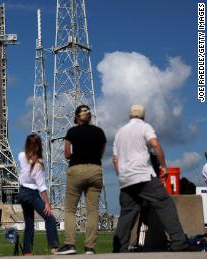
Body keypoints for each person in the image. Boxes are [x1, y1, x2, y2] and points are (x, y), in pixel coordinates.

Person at [112, 104, 188, 252]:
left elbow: (115, 159)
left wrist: (121, 175)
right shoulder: (144, 127)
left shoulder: (120, 133)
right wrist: (163, 166)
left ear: (129, 115)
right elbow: (155, 145)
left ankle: (119, 248)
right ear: (143, 115)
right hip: (143, 175)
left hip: (126, 179)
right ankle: (178, 241)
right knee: (165, 203)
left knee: (127, 213)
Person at [57, 105, 106, 255]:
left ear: (77, 117)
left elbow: (66, 153)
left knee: (71, 210)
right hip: (95, 170)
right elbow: (101, 152)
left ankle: (70, 244)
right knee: (92, 211)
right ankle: (90, 247)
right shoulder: (99, 132)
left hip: (77, 169)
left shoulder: (72, 132)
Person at [17, 134, 59, 256]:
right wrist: (47, 203)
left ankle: (27, 252)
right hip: (32, 194)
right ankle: (54, 247)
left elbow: (23, 161)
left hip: (22, 193)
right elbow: (41, 186)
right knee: (50, 219)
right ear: (38, 146)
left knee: (29, 224)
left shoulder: (21, 156)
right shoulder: (39, 163)